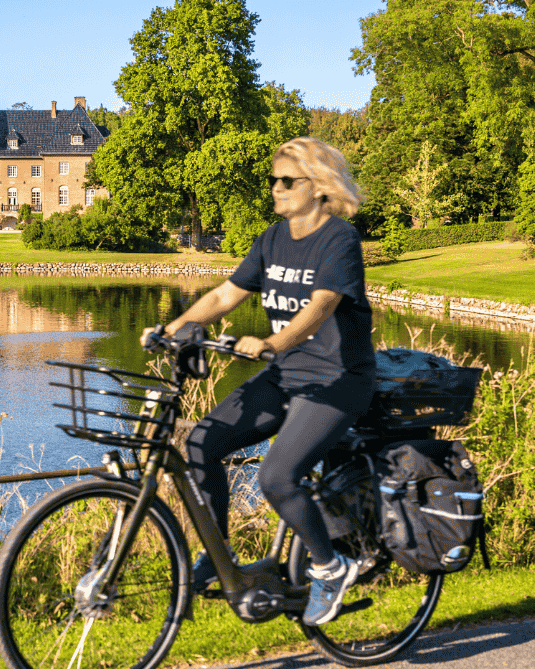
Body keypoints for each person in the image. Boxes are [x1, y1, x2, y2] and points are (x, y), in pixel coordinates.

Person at [141, 136, 376, 626]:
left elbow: (323, 304)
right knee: (202, 441)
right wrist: (171, 329)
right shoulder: (272, 238)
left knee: (275, 477)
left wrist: (274, 343)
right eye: (273, 179)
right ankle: (219, 553)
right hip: (286, 376)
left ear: (318, 186)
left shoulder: (339, 239)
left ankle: (330, 568)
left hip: (336, 381)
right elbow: (226, 294)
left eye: (287, 180)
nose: (276, 188)